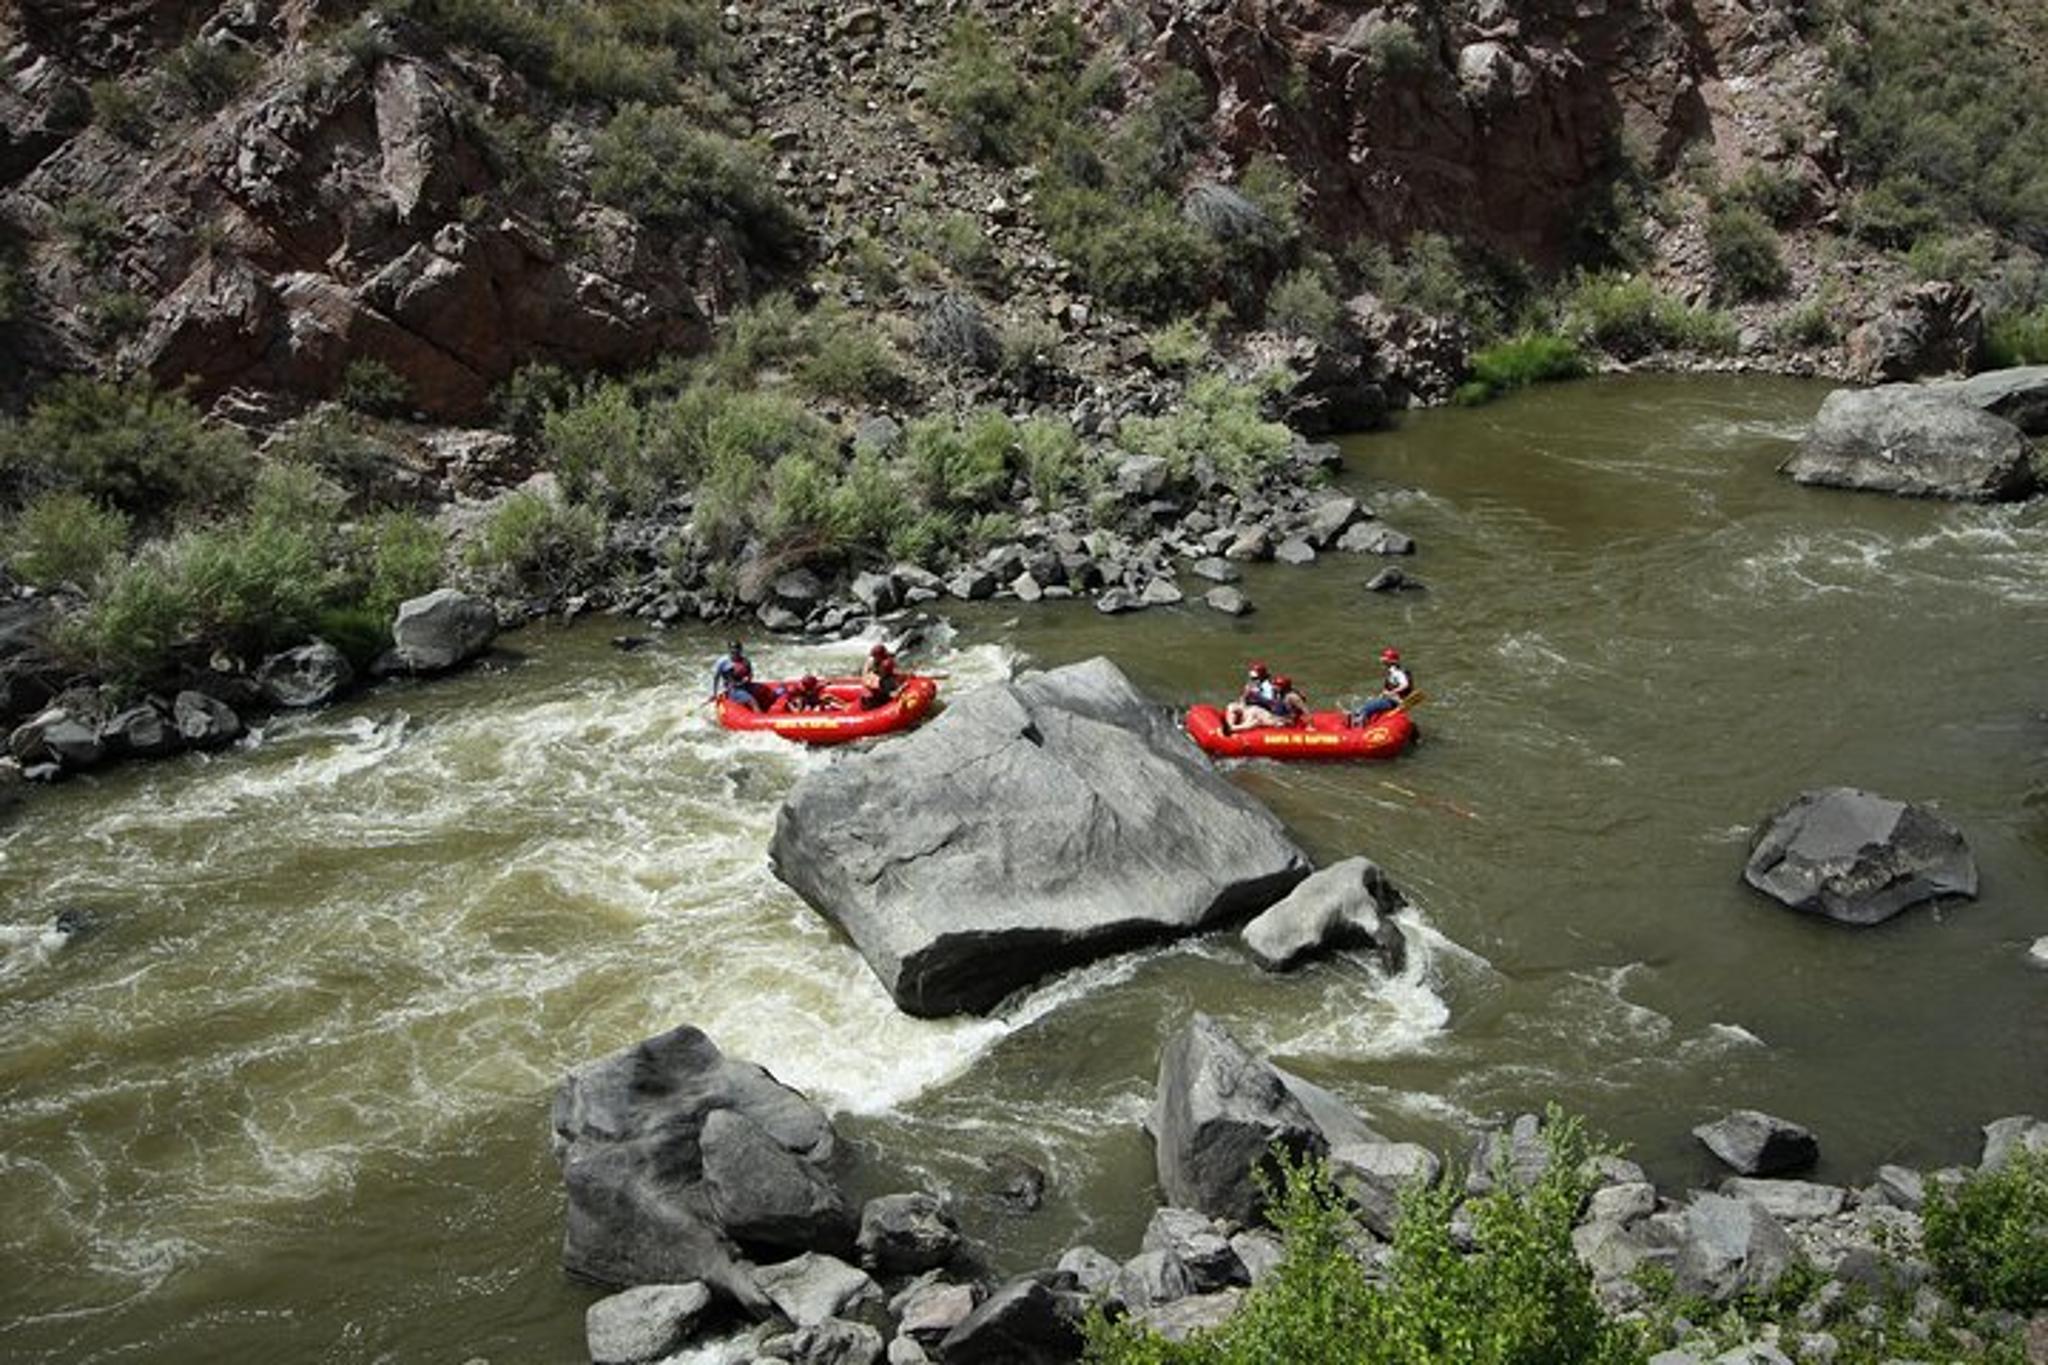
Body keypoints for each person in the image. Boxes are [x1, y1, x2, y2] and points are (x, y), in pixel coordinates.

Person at [1348, 647, 1413, 725]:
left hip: (1394, 702)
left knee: (1367, 708)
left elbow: (1405, 684)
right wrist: (1383, 695)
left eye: (1385, 660)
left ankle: (1359, 726)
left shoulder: (1397, 673)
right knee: (1370, 702)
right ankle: (1363, 719)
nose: (1383, 662)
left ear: (1389, 661)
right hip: (1390, 700)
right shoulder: (1392, 671)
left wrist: (1391, 693)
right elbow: (1390, 686)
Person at [711, 640, 768, 711]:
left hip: (745, 686)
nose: (735, 650)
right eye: (732, 648)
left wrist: (747, 679)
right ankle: (761, 719)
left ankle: (766, 710)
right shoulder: (723, 662)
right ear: (729, 649)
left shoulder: (745, 661)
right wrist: (714, 694)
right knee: (753, 702)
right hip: (734, 690)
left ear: (740, 649)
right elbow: (716, 678)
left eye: (737, 648)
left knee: (764, 691)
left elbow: (750, 675)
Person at [1225, 661, 1279, 730]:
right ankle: (1230, 726)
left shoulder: (1267, 686)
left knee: (1252, 711)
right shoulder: (1251, 683)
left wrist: (1257, 695)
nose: (1253, 680)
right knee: (1231, 706)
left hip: (1262, 710)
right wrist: (1242, 703)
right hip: (1249, 706)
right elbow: (1243, 697)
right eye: (1252, 678)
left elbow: (1271, 701)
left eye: (1255, 678)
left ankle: (1236, 729)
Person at [859, 643, 901, 709]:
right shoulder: (873, 662)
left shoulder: (888, 663)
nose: (874, 657)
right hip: (881, 685)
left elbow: (891, 691)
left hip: (883, 688)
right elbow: (866, 673)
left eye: (875, 656)